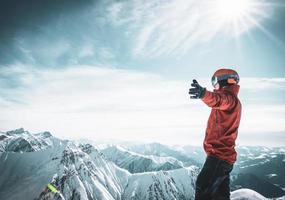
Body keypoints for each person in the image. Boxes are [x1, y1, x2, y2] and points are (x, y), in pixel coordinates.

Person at [189, 68, 242, 200]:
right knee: (220, 194)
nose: (215, 87)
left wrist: (203, 94)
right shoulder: (232, 101)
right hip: (223, 157)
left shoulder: (229, 100)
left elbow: (219, 99)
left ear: (224, 82)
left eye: (216, 84)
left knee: (203, 186)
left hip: (219, 156)